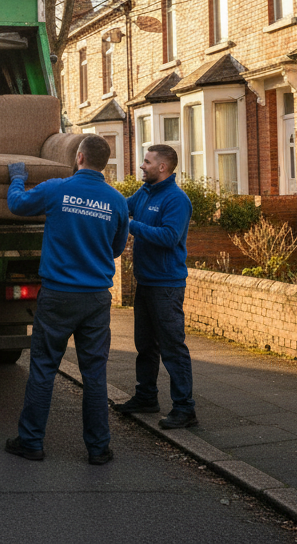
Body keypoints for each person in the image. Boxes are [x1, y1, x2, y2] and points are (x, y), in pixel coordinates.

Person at [4, 134, 129, 465]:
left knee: (44, 368)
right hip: (96, 299)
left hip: (58, 295)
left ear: (79, 158)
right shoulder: (117, 201)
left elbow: (17, 204)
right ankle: (98, 448)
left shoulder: (56, 188)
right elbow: (116, 248)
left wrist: (16, 178)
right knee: (94, 374)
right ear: (104, 163)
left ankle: (31, 442)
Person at [112, 144, 197, 429]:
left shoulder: (176, 199)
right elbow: (122, 207)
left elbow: (169, 237)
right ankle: (146, 397)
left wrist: (131, 226)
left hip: (167, 286)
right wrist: (102, 200)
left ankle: (185, 409)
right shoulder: (145, 193)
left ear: (163, 167)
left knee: (173, 348)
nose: (141, 166)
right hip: (146, 283)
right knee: (145, 345)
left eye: (147, 162)